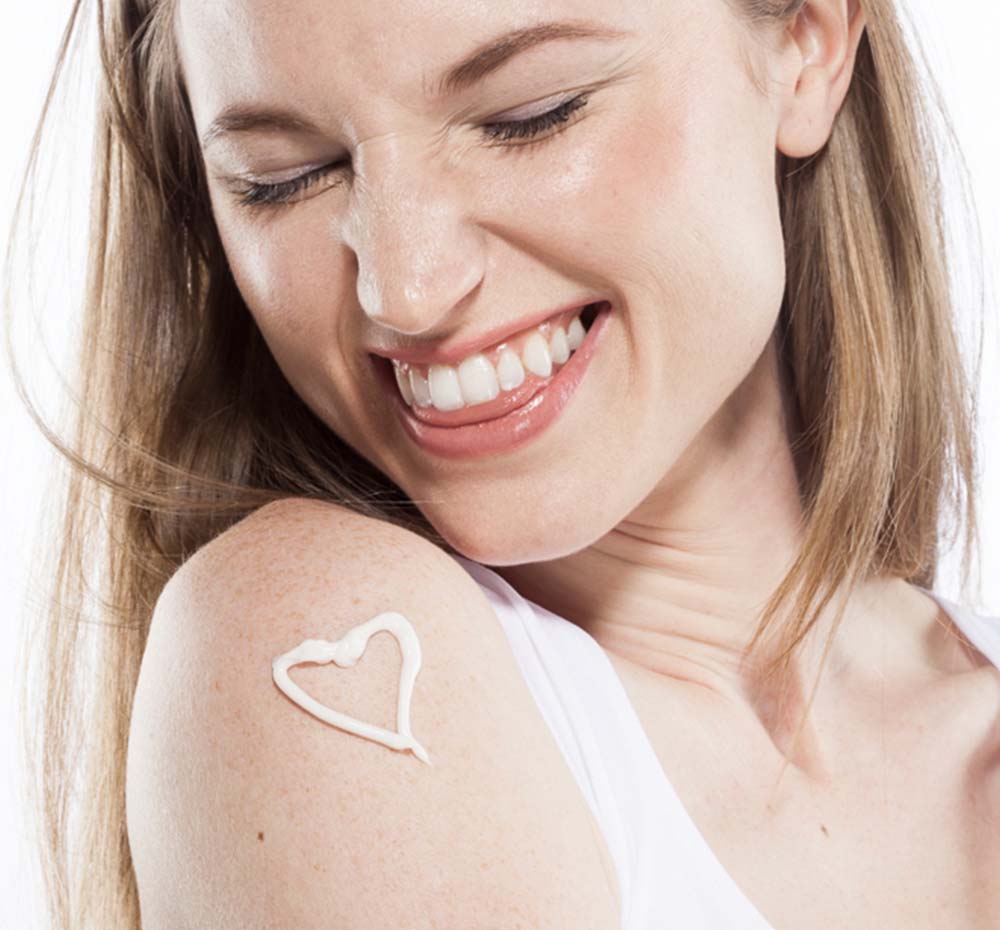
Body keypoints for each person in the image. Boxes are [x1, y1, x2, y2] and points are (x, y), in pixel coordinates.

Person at [6, 0, 996, 927]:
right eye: (287, 174)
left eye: (530, 115)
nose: (406, 286)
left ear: (808, 40)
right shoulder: (319, 650)